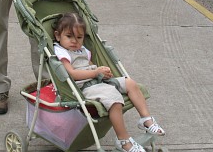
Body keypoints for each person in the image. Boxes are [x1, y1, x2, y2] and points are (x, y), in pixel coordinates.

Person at [53, 13, 165, 152]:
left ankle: (146, 120)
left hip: (98, 81)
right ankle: (123, 141)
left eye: (79, 37)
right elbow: (73, 74)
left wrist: (103, 73)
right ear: (58, 36)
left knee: (129, 83)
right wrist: (95, 72)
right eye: (69, 36)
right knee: (114, 100)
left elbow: (91, 66)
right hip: (84, 87)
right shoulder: (61, 52)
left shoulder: (83, 50)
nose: (74, 41)